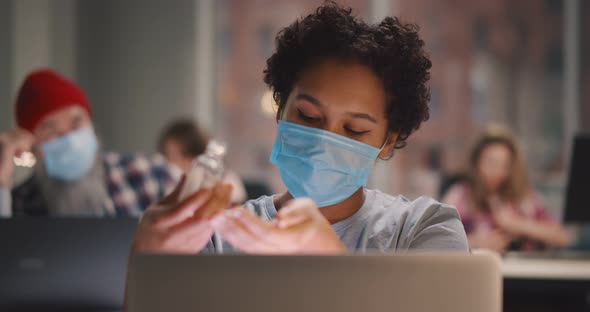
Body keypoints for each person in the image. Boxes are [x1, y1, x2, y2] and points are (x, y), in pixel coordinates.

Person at [130, 2, 469, 256]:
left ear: (387, 141)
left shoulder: (421, 230)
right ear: (281, 112)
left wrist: (329, 261)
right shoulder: (219, 236)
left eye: (353, 129)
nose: (325, 141)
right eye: (308, 116)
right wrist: (145, 262)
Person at [0, 69, 178, 217]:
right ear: (30, 142)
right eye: (50, 129)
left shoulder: (149, 173)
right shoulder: (20, 204)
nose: (69, 138)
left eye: (77, 121)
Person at [443, 126, 570, 252]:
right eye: (491, 162)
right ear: (476, 163)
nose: (497, 171)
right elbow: (441, 242)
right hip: (478, 269)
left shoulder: (524, 198)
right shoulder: (459, 196)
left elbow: (562, 237)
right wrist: (474, 243)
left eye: (504, 164)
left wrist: (518, 224)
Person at [158, 119, 247, 204]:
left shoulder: (226, 181)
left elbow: (236, 207)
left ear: (192, 156)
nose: (168, 163)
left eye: (173, 157)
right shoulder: (165, 182)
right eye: (165, 156)